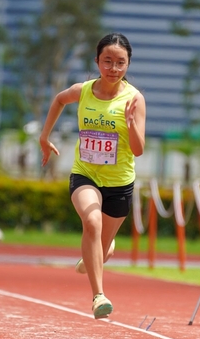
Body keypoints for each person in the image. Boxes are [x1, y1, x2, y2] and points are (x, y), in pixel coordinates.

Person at [39, 32, 146, 319]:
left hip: (119, 183)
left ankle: (97, 253)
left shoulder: (134, 99)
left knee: (100, 245)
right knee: (92, 221)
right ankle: (99, 296)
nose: (113, 68)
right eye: (107, 61)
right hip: (85, 174)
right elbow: (59, 100)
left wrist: (130, 123)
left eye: (120, 62)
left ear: (128, 64)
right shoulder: (83, 90)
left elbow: (138, 150)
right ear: (97, 61)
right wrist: (44, 137)